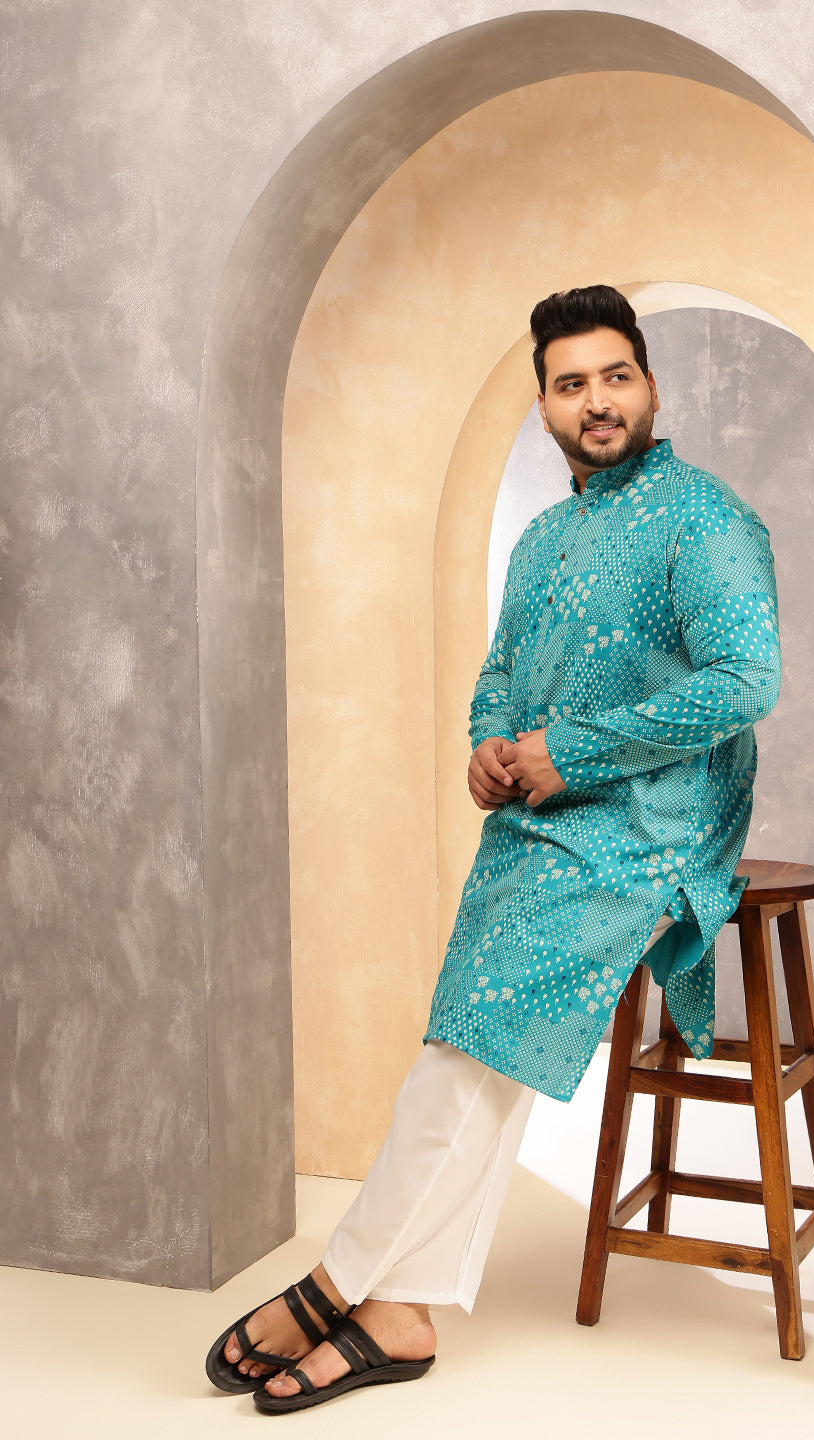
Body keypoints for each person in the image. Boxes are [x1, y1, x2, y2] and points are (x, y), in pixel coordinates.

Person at [204, 285, 782, 1414]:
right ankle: (401, 1313)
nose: (596, 401)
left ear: (651, 386)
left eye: (615, 377)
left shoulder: (707, 519)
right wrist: (488, 742)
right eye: (571, 385)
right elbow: (503, 673)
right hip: (546, 812)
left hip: (659, 814)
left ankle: (338, 1284)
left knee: (482, 1022)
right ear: (546, 405)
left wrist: (573, 751)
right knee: (472, 1025)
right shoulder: (543, 538)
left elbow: (747, 682)